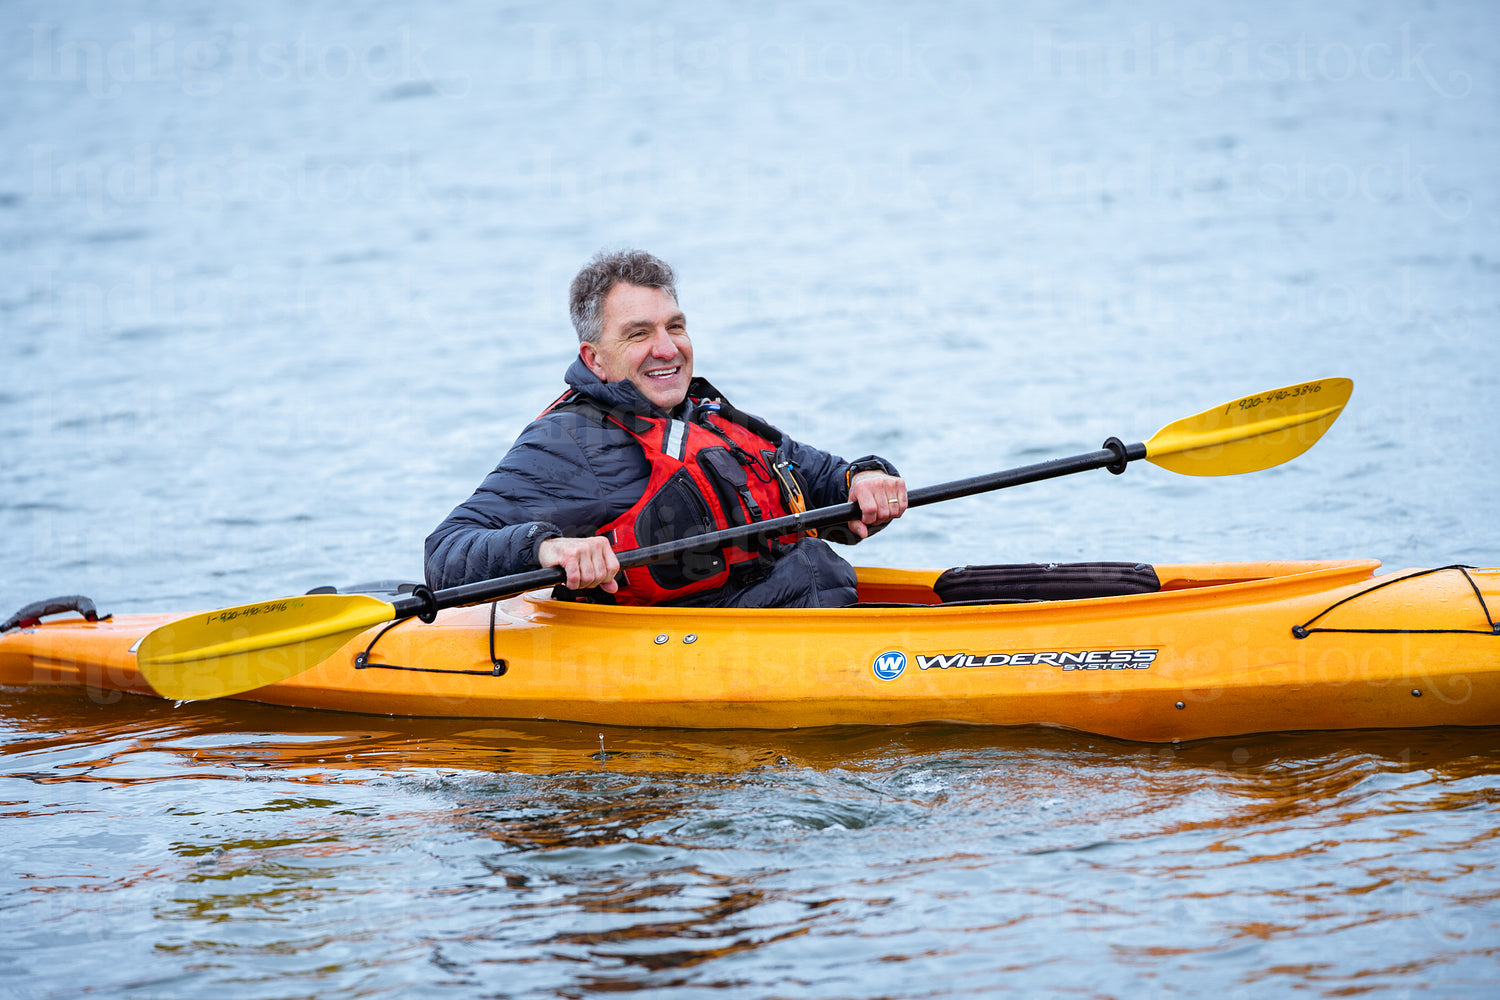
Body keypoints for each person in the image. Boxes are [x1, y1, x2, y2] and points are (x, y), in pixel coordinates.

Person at [423, 249, 908, 608]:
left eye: (674, 327)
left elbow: (815, 474)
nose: (667, 348)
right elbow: (445, 552)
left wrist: (863, 478)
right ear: (595, 359)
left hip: (811, 612)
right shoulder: (569, 442)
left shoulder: (706, 412)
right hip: (709, 648)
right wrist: (546, 546)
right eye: (638, 334)